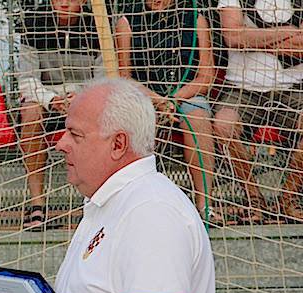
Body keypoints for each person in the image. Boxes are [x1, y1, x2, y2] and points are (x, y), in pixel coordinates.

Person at [0, 78, 220, 293]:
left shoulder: (150, 208)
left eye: (75, 135)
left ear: (118, 144)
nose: (59, 143)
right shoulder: (111, 204)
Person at [115, 0, 220, 224]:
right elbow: (124, 76)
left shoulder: (195, 18)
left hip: (186, 94)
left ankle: (205, 203)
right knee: (136, 119)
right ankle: (137, 203)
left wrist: (173, 100)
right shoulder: (127, 21)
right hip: (143, 96)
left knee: (197, 114)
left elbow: (206, 76)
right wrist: (157, 101)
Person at [16, 0, 105, 229]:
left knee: (102, 113)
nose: (64, 3)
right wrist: (52, 100)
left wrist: (81, 97)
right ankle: (37, 203)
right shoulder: (33, 24)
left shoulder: (98, 24)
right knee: (30, 111)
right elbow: (27, 79)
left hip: (85, 96)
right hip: (48, 97)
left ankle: (94, 199)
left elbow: (104, 79)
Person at [213, 0, 303, 223]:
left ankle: (287, 200)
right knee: (223, 125)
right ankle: (255, 200)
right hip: (243, 88)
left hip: (291, 88)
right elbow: (233, 38)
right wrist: (287, 33)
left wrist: (252, 37)